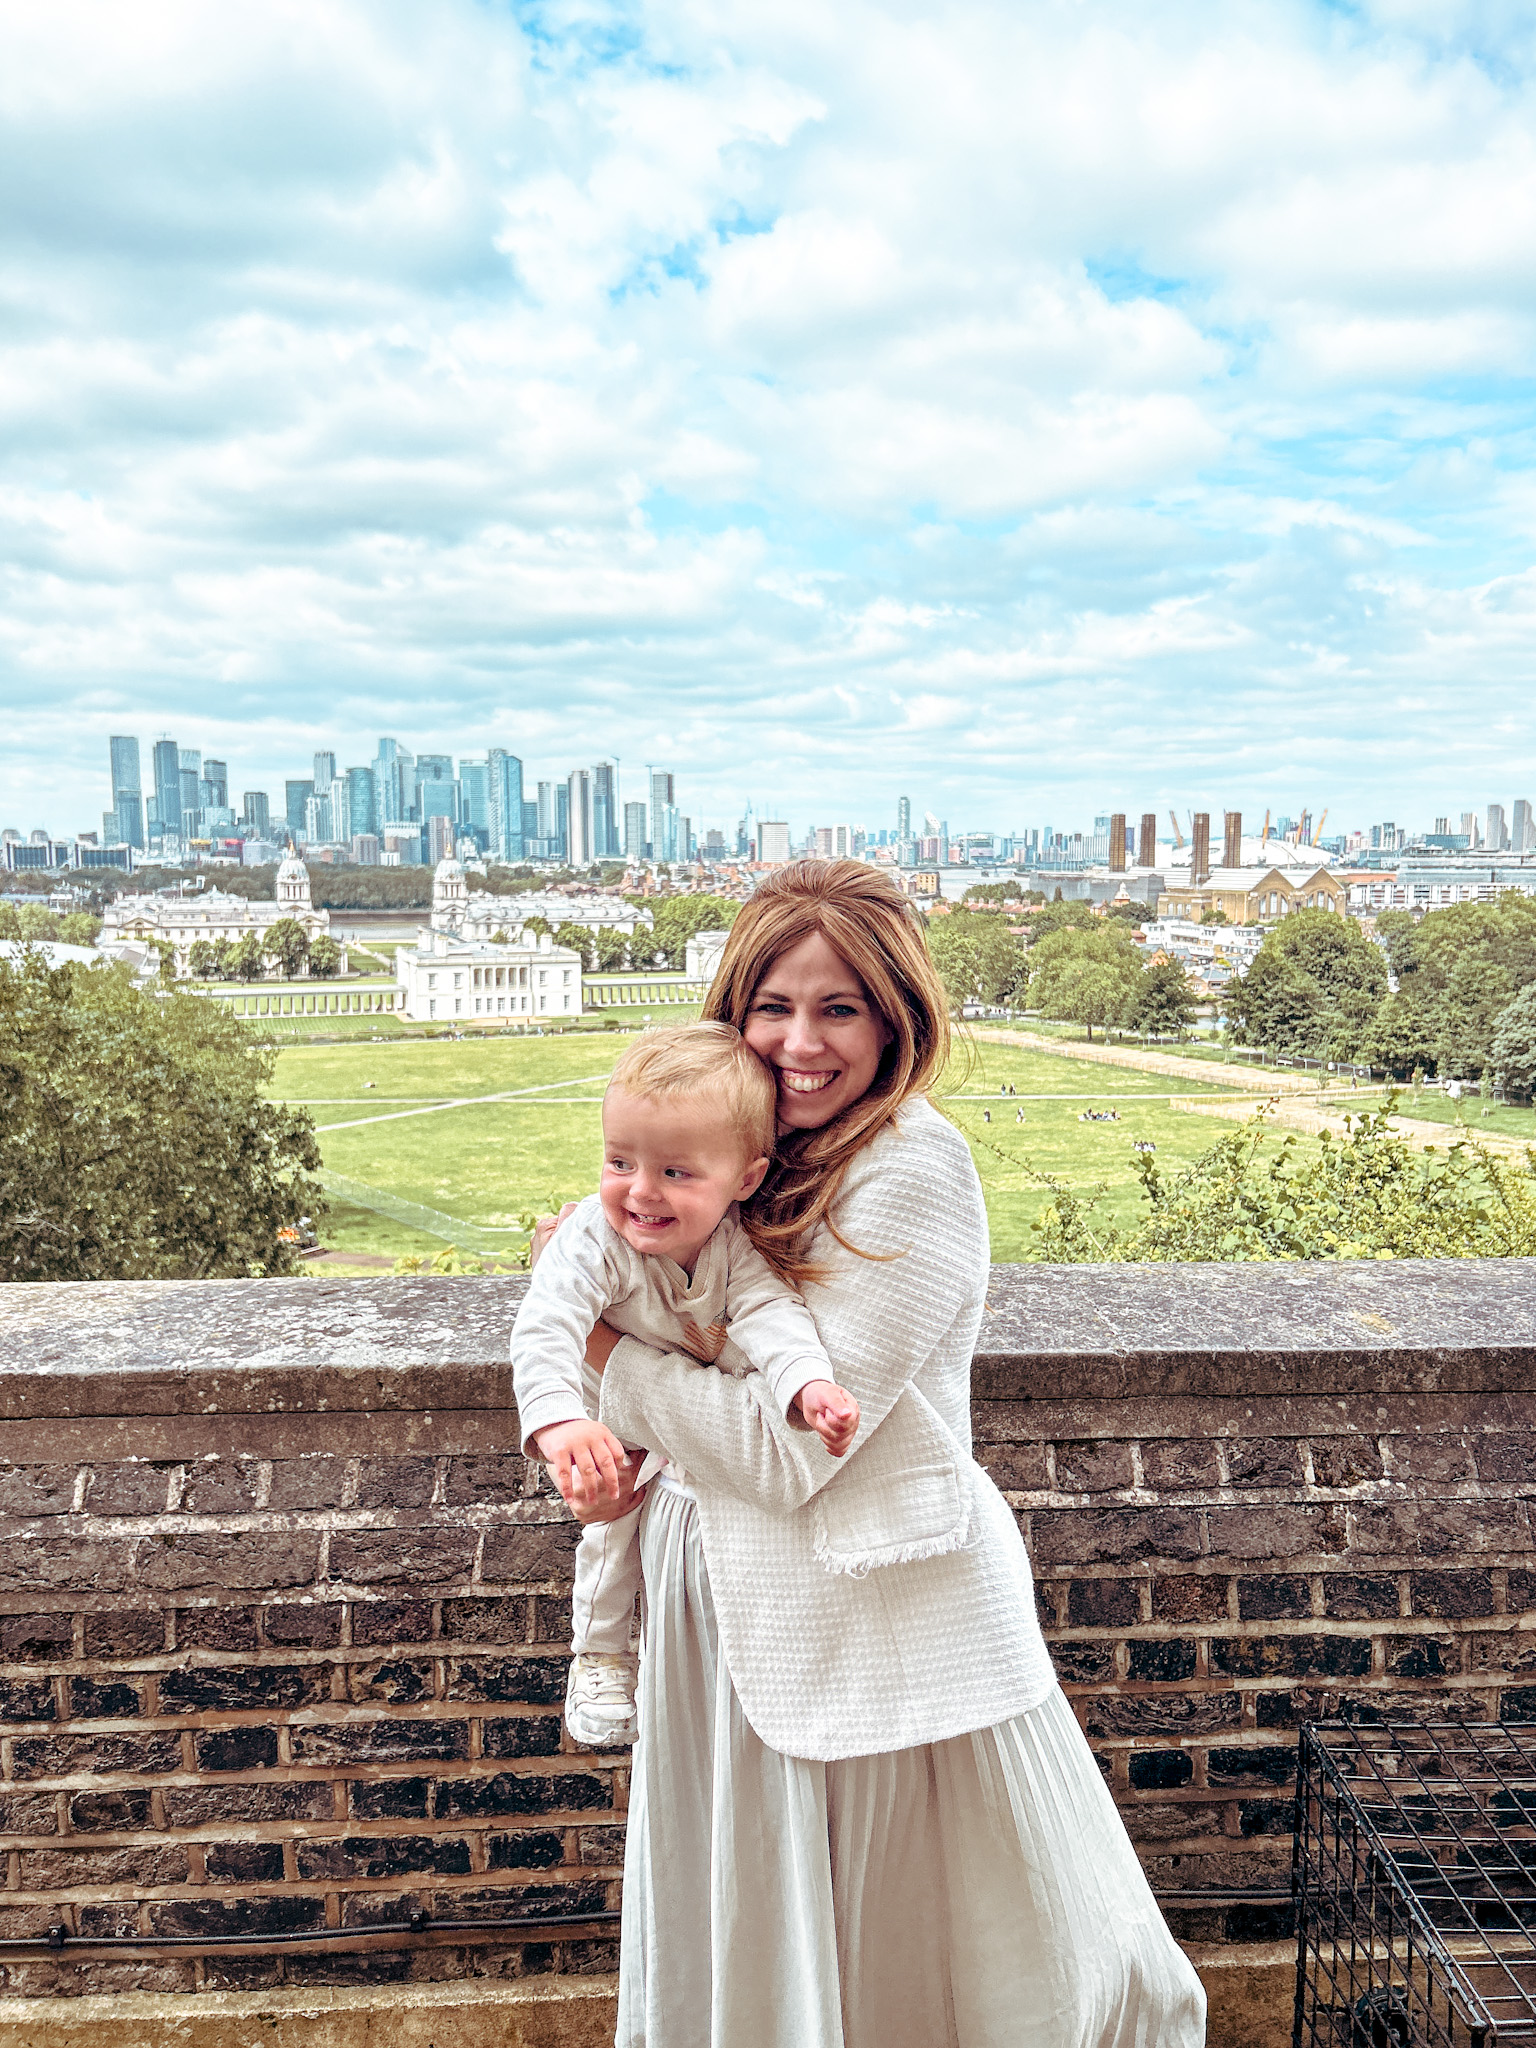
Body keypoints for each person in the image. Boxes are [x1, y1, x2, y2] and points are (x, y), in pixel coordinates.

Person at [545, 859, 1205, 2048]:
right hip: (722, 1600)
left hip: (871, 1615)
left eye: (839, 1006)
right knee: (751, 1933)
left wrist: (608, 1356)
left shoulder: (909, 1166)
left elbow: (786, 1449)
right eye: (774, 1004)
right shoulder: (729, 1151)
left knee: (948, 1956)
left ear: (895, 1016)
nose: (800, 1039)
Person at [513, 1023, 860, 1748]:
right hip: (604, 1412)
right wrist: (559, 1424)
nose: (640, 1192)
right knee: (612, 1526)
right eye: (619, 1161)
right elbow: (546, 1324)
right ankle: (600, 1654)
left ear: (745, 1180)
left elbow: (773, 1316)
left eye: (676, 1173)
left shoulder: (734, 1243)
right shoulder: (595, 1239)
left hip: (669, 1402)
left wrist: (808, 1386)